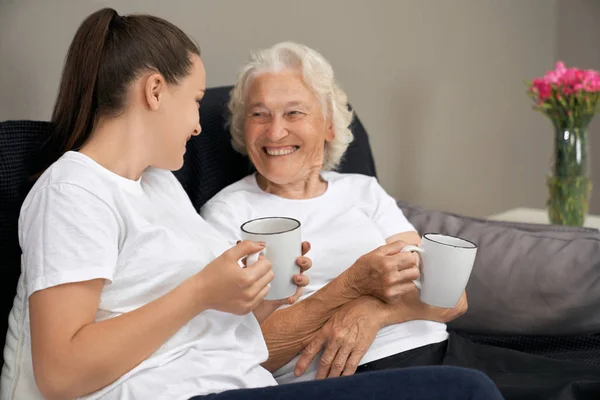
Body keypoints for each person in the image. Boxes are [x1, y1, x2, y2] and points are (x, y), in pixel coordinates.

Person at [0, 8, 505, 400]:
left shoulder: (158, 186)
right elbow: (60, 373)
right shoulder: (73, 191)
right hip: (185, 392)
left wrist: (254, 295)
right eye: (196, 100)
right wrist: (203, 290)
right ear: (155, 91)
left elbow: (206, 320)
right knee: (469, 391)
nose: (200, 126)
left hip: (236, 383)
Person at [200, 41, 600, 400]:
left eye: (294, 112)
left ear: (328, 125)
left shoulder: (362, 191)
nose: (275, 130)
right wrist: (347, 292)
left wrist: (376, 313)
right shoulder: (227, 214)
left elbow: (450, 298)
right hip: (353, 378)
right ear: (242, 126)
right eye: (259, 114)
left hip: (442, 351)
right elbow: (238, 352)